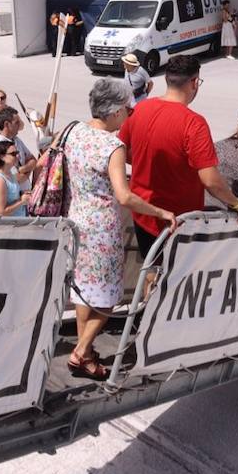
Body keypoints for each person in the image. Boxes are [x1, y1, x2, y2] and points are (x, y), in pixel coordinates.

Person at [61, 80, 177, 380]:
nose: (130, 112)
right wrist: (160, 211)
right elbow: (124, 196)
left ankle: (84, 350)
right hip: (102, 228)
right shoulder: (112, 146)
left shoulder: (74, 132)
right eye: (127, 108)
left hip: (76, 220)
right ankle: (81, 353)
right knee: (109, 296)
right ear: (113, 112)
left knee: (85, 291)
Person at [118, 55, 238, 263]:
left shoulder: (141, 109)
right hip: (177, 221)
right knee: (175, 278)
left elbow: (121, 150)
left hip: (143, 213)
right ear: (194, 83)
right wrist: (237, 204)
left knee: (150, 271)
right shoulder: (194, 124)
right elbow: (211, 181)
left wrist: (146, 162)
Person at [0, 106, 38, 180]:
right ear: (7, 124)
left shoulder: (16, 140)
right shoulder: (0, 148)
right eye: (16, 123)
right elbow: (17, 179)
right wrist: (29, 170)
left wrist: (22, 169)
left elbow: (33, 160)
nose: (19, 126)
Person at [0, 141, 27, 217]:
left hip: (17, 225)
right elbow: (0, 212)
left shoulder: (10, 175)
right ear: (2, 157)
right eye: (13, 154)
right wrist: (21, 201)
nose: (17, 156)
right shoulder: (0, 180)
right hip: (8, 227)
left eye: (17, 153)